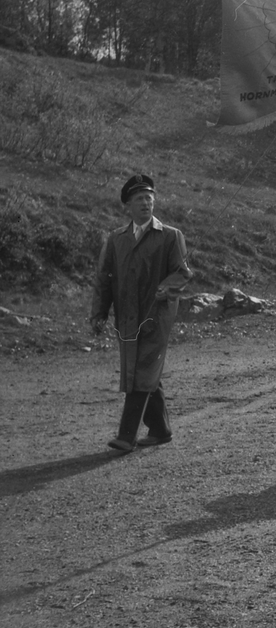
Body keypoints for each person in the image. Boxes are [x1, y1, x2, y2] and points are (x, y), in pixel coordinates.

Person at [90, 174, 193, 452]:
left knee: (143, 368)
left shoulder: (171, 236)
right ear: (129, 205)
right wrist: (99, 314)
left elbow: (182, 273)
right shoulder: (116, 240)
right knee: (144, 372)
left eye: (149, 198)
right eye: (139, 199)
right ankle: (160, 429)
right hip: (127, 318)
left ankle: (126, 436)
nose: (146, 203)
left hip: (157, 317)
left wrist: (166, 287)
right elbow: (104, 279)